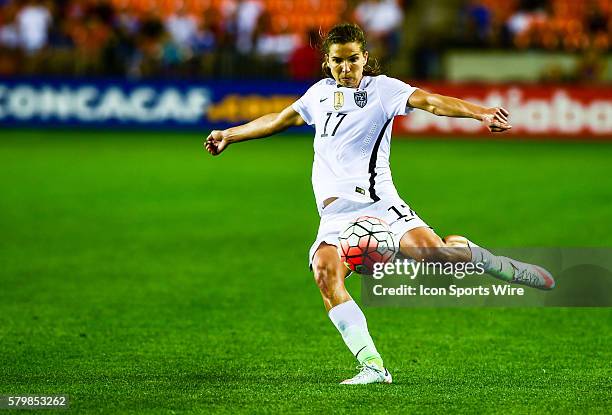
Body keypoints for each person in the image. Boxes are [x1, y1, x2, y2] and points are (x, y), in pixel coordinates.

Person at [205, 23, 555, 385]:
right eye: (338, 61)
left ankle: (487, 260)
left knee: (437, 261)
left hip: (379, 204)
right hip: (334, 217)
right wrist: (230, 134)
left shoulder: (383, 89)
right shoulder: (318, 94)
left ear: (364, 58)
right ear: (327, 62)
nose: (346, 68)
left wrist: (480, 112)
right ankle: (372, 366)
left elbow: (432, 101)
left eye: (353, 60)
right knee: (325, 275)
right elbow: (280, 119)